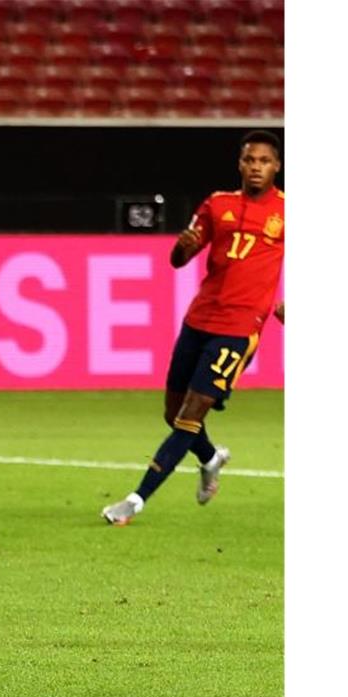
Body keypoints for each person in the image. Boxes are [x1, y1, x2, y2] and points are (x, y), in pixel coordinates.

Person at [101, 130, 285, 525]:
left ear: (277, 167)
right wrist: (183, 245)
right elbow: (177, 259)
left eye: (264, 161)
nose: (256, 167)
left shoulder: (288, 211)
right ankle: (210, 456)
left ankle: (135, 501)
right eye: (250, 160)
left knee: (191, 411)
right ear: (240, 164)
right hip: (199, 319)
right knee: (173, 413)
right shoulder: (217, 205)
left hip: (240, 327)